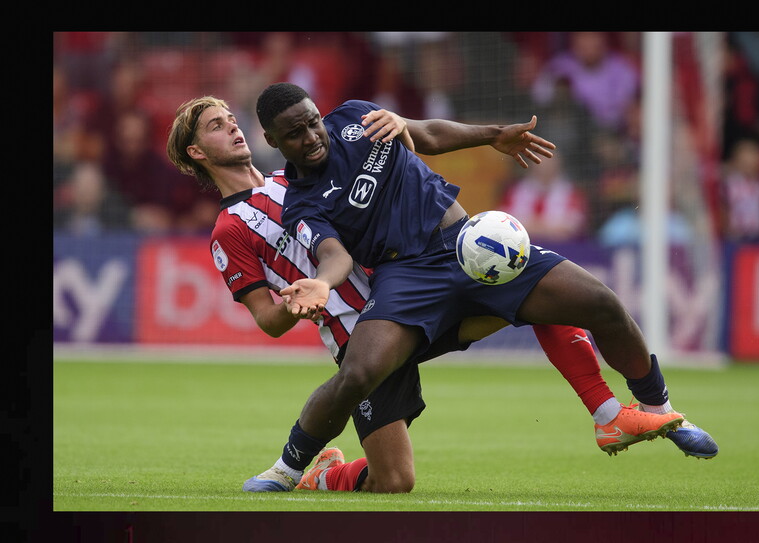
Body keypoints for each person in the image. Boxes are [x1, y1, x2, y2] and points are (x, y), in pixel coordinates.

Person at [165, 96, 713, 494]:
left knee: (563, 298)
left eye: (231, 119)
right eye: (217, 125)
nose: (231, 127)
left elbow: (419, 135)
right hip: (379, 315)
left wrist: (465, 131)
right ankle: (309, 472)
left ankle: (625, 411)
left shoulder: (326, 145)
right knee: (394, 478)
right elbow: (305, 282)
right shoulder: (261, 215)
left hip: (423, 276)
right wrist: (312, 290)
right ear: (199, 151)